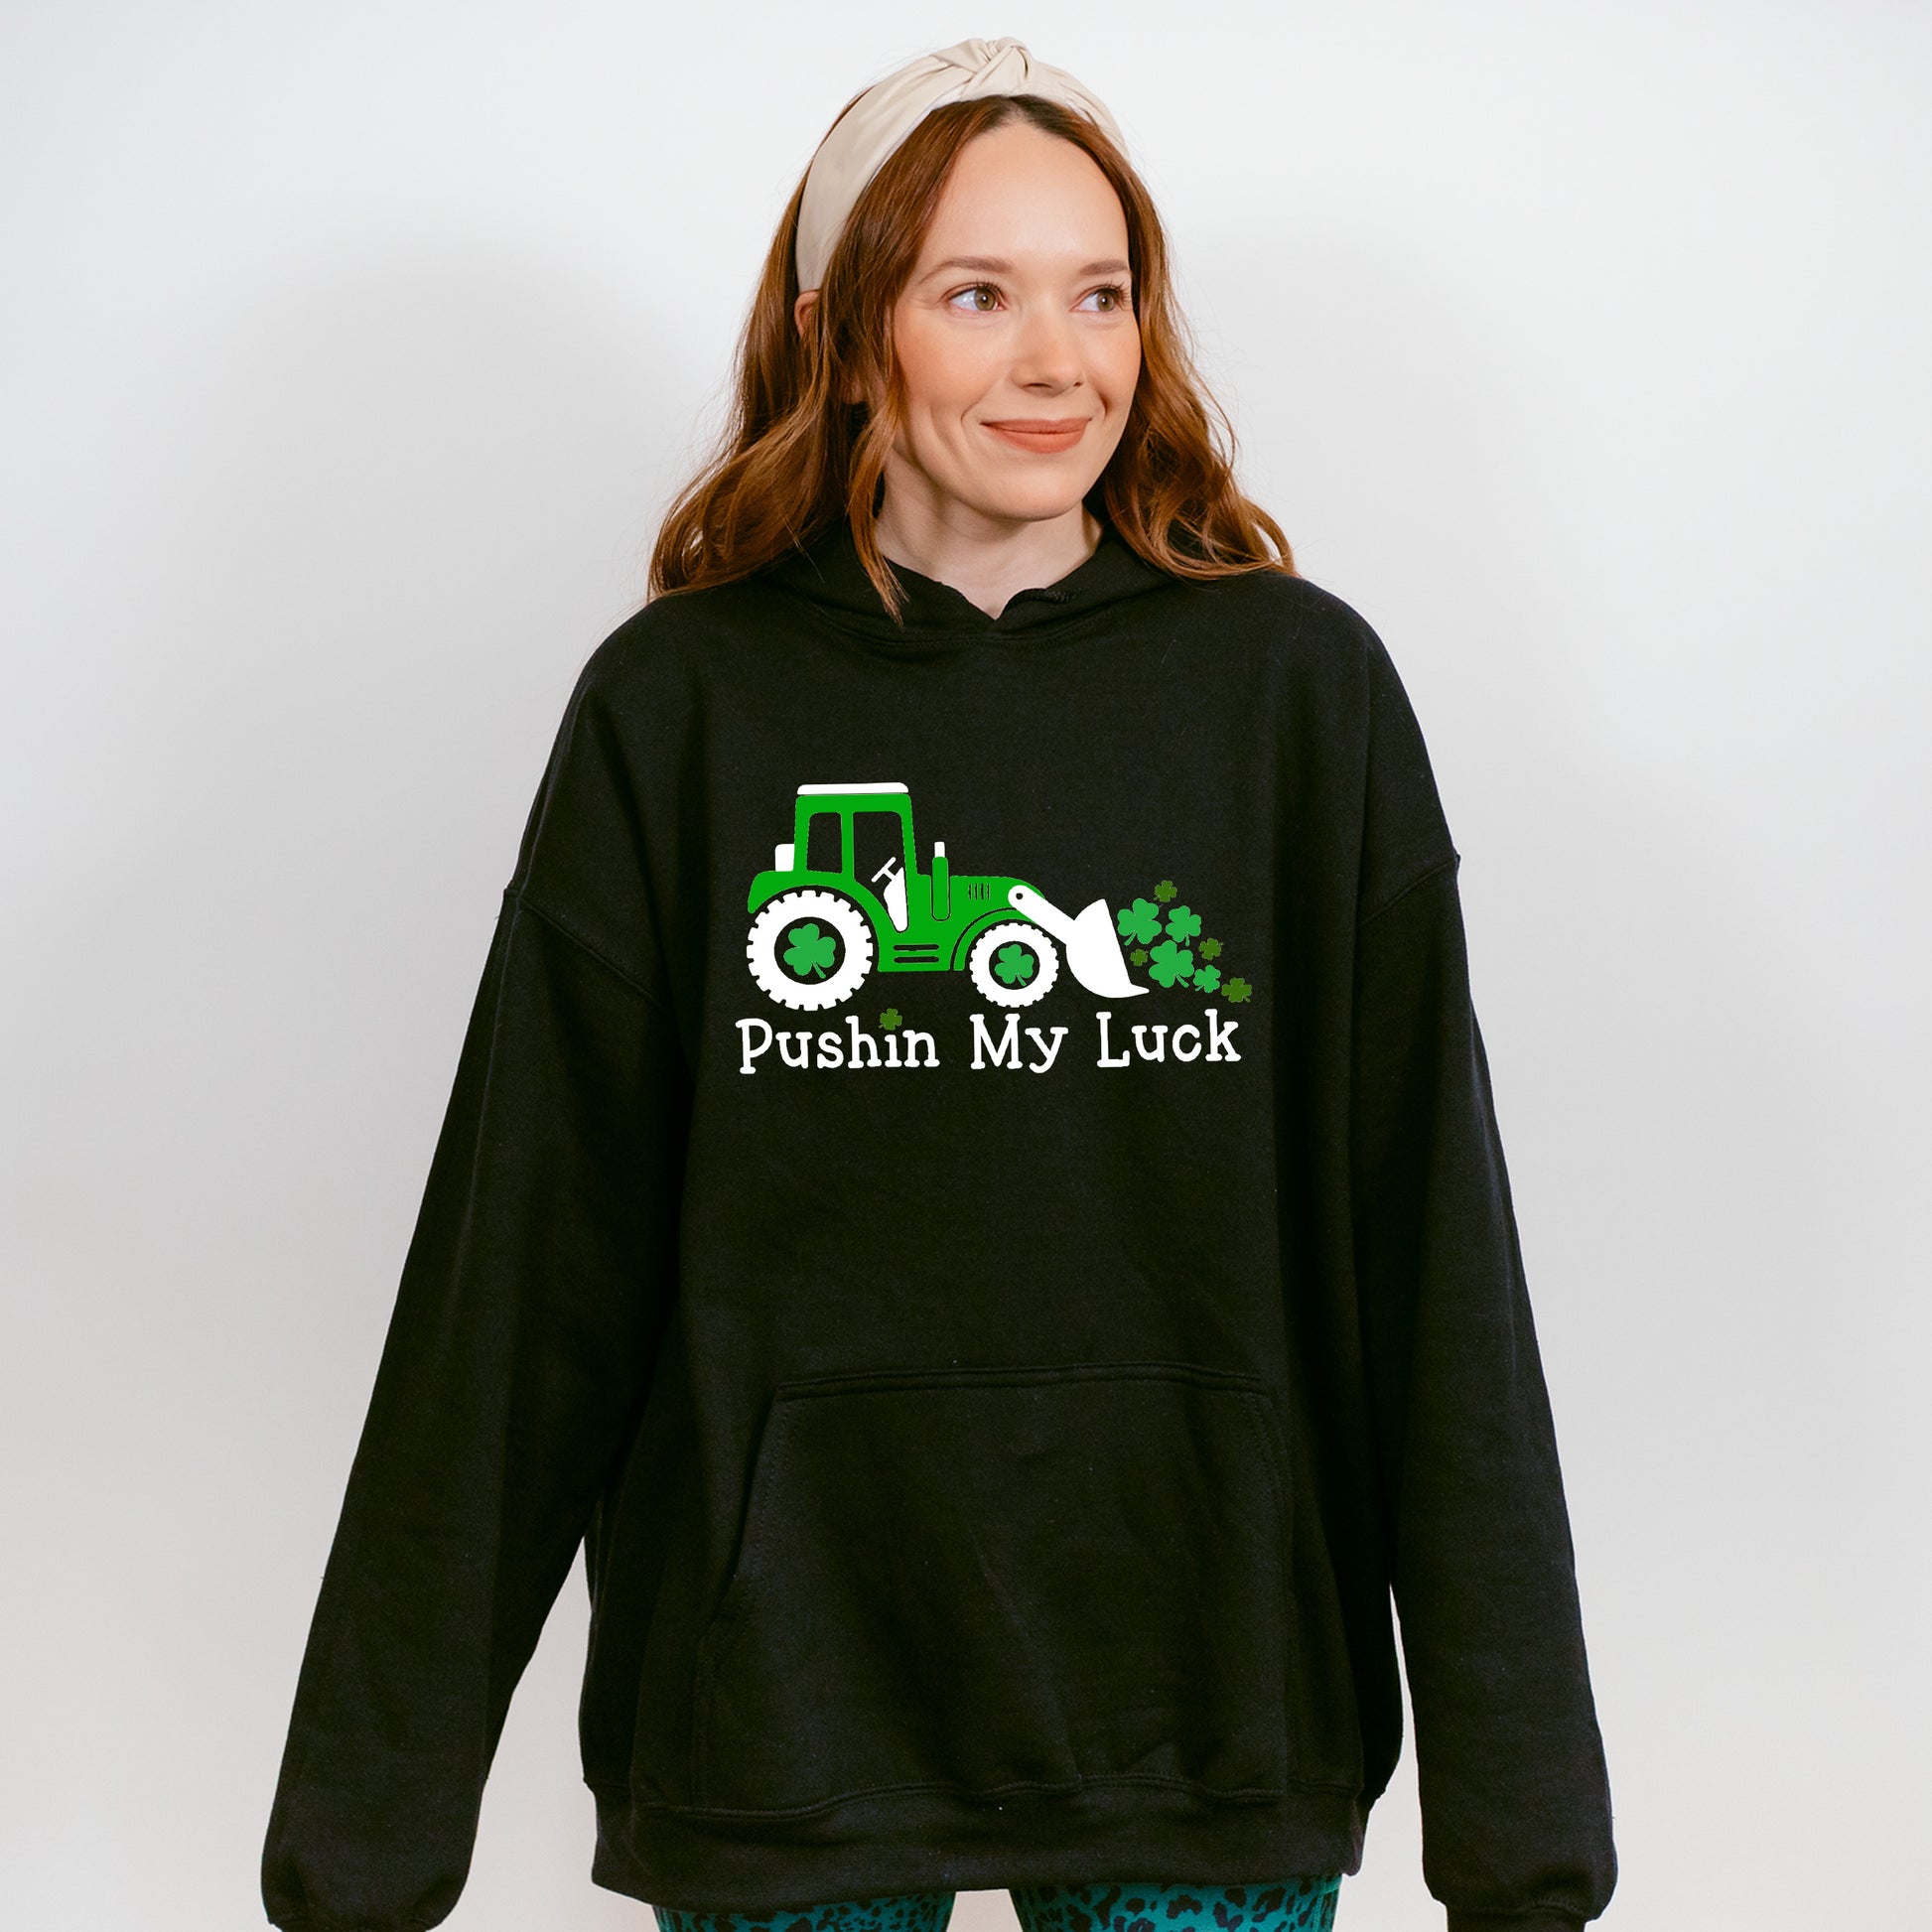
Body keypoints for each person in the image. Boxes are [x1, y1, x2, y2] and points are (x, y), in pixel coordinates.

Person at [260, 36, 1615, 1932]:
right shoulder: (682, 710)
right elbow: (522, 1273)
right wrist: (367, 1834)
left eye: (1100, 294)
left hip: (1205, 1695)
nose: (1058, 361)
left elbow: (1433, 1247)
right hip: (779, 1704)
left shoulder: (1295, 700)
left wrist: (1522, 1811)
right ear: (843, 331)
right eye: (977, 294)